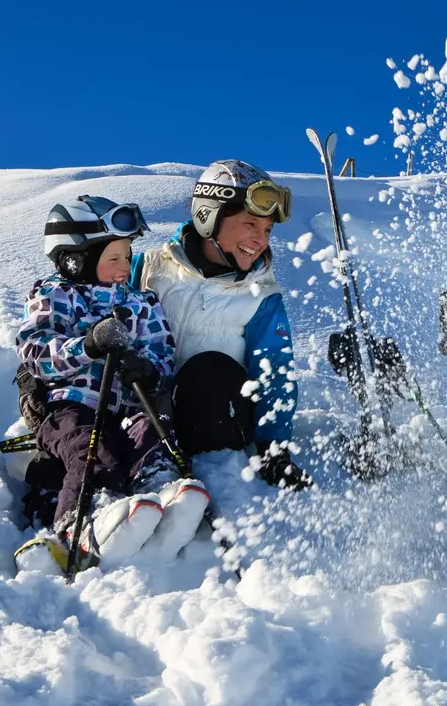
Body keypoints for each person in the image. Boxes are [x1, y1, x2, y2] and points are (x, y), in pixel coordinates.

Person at [14, 195, 208, 571]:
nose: (125, 265)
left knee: (153, 431)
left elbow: (162, 352)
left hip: (131, 406)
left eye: (128, 253)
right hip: (69, 406)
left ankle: (161, 490)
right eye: (114, 257)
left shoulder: (141, 303)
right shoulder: (55, 295)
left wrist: (148, 370)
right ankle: (81, 519)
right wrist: (86, 346)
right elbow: (34, 351)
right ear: (75, 259)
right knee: (92, 446)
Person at [130, 160, 312, 490]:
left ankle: (213, 488)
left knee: (208, 370)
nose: (260, 240)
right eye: (250, 225)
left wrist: (275, 448)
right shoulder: (148, 268)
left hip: (218, 421)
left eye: (268, 230)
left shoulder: (261, 295)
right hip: (148, 415)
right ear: (208, 216)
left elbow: (275, 369)